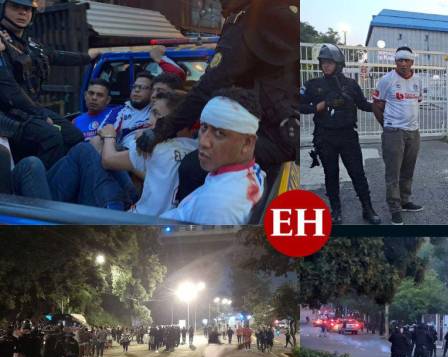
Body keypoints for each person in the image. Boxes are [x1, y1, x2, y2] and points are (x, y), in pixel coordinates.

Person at [138, 0, 299, 203]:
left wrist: (161, 130)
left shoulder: (250, 20)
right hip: (289, 132)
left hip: (270, 134)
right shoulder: (283, 12)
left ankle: (192, 231)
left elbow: (208, 87)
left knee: (192, 168)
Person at [0, 0, 102, 170]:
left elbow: (55, 55)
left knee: (73, 135)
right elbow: (9, 90)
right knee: (51, 136)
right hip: (6, 113)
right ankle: (35, 186)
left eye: (27, 9)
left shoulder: (28, 43)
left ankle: (63, 183)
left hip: (28, 109)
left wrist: (87, 57)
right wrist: (39, 114)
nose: (22, 13)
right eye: (15, 7)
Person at [300, 43, 380, 225]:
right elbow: (297, 104)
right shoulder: (313, 85)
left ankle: (368, 209)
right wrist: (316, 107)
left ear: (338, 64)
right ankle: (336, 211)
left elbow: (363, 104)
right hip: (325, 137)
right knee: (331, 174)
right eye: (323, 62)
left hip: (348, 137)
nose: (325, 66)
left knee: (358, 173)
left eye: (329, 62)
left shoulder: (351, 85)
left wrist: (380, 105)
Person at [160, 88, 265, 225]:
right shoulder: (251, 170)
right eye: (204, 127)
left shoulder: (217, 205)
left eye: (220, 133)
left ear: (247, 143)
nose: (203, 142)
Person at [100, 91, 197, 216]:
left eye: (156, 114)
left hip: (141, 219)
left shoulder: (156, 148)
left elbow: (108, 160)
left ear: (176, 119)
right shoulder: (200, 149)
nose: (149, 120)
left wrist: (109, 135)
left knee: (85, 151)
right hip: (173, 219)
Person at [372, 46, 424, 225]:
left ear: (412, 62)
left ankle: (405, 201)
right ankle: (395, 209)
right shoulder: (386, 80)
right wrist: (388, 126)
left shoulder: (418, 80)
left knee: (408, 170)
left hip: (413, 132)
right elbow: (377, 105)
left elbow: (417, 102)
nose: (403, 63)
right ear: (395, 61)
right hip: (394, 132)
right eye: (399, 60)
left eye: (406, 60)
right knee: (393, 173)